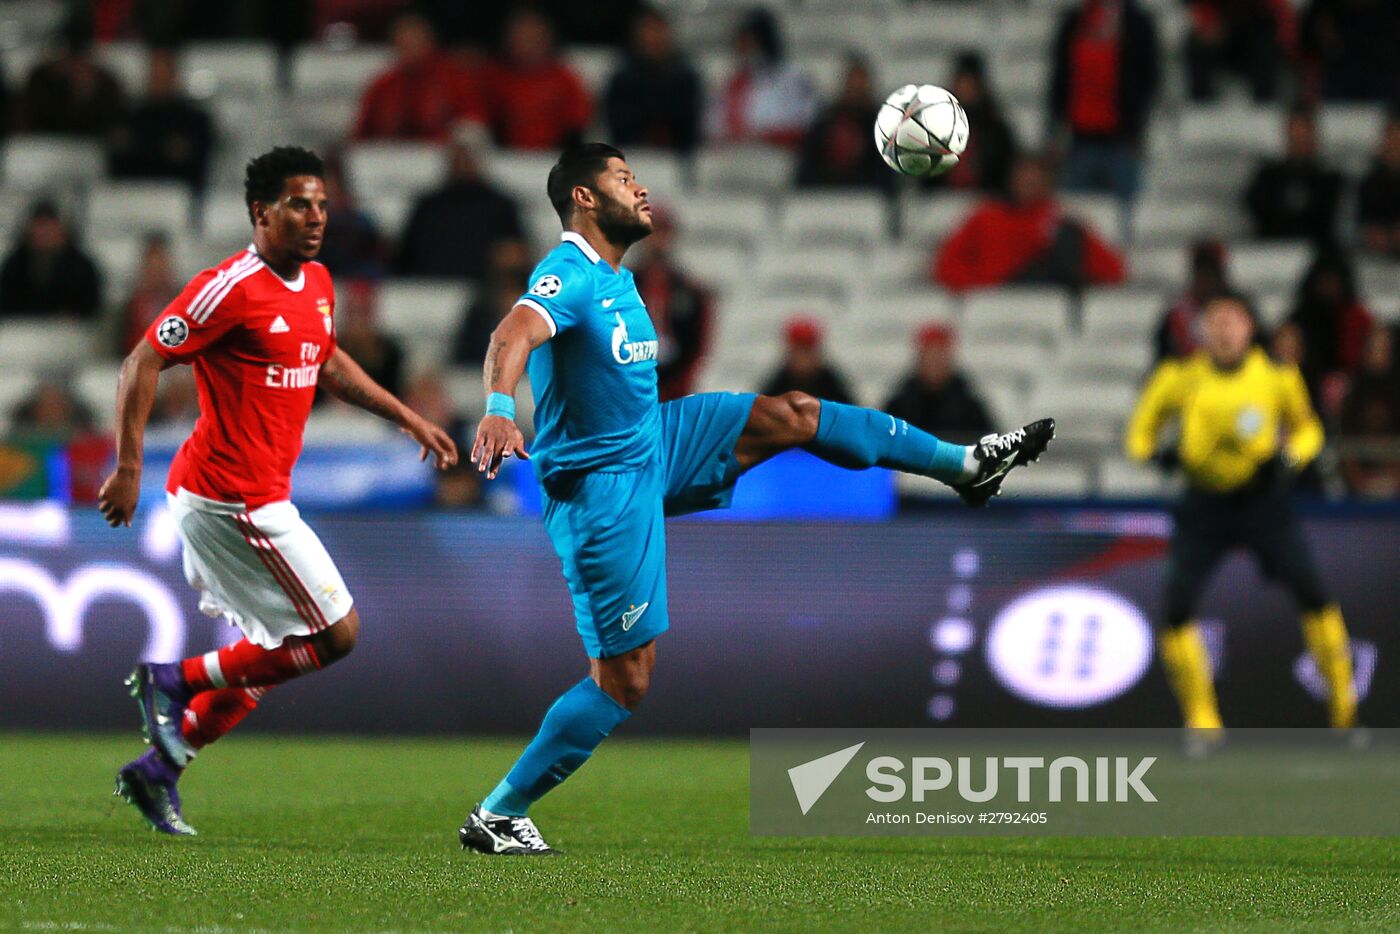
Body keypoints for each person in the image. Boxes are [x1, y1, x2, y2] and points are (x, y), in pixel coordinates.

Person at [459, 142, 1055, 854]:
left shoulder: (619, 276)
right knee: (626, 680)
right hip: (601, 490)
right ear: (584, 199)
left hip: (653, 441)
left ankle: (965, 465)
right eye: (623, 179)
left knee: (794, 413)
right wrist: (499, 404)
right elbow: (512, 331)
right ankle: (498, 812)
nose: (641, 189)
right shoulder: (569, 273)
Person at [100, 146, 458, 837]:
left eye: (322, 204)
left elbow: (324, 359)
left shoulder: (319, 283)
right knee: (336, 634)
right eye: (300, 204)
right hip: (229, 499)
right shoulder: (228, 288)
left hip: (257, 495)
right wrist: (128, 466)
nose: (317, 216)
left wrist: (409, 416)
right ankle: (173, 679)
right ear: (262, 213)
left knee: (274, 657)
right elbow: (144, 358)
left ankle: (159, 770)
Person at [1125, 293, 1358, 737]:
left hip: (1262, 500)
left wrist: (1289, 458)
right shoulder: (1178, 377)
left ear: (1250, 328)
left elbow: (1309, 428)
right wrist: (1157, 455)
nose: (1225, 331)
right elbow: (1139, 431)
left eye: (1233, 321)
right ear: (1203, 331)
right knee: (1176, 606)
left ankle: (1343, 706)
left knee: (1313, 592)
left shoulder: (1276, 377)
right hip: (1203, 503)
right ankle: (1202, 719)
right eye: (1216, 322)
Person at [932, 154, 1126, 293]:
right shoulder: (984, 218)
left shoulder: (1061, 221)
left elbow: (1112, 269)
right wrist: (984, 283)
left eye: (1035, 179)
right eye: (1024, 178)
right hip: (994, 302)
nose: (1029, 184)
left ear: (1047, 183)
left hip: (1048, 301)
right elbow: (946, 266)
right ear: (1011, 180)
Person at [1048, 0, 1161, 202]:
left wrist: (1135, 124)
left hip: (1122, 139)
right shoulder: (1074, 21)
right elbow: (1060, 78)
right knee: (1077, 210)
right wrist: (1056, 129)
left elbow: (1149, 77)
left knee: (1127, 208)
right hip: (1079, 139)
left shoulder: (1137, 23)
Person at [395, 134, 526, 282]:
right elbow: (405, 258)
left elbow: (517, 254)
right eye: (458, 155)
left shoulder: (502, 207)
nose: (462, 162)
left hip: (486, 291)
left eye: (468, 156)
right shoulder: (427, 207)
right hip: (430, 290)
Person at [351, 12, 485, 142]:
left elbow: (474, 125)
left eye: (415, 42)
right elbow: (360, 134)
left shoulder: (455, 80)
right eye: (404, 43)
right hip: (391, 158)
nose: (410, 49)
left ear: (429, 42)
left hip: (440, 157)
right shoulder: (383, 86)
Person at [629, 205, 713, 401]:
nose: (656, 240)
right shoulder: (620, 287)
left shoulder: (690, 290)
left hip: (675, 386)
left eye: (662, 233)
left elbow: (699, 344)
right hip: (629, 386)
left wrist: (679, 385)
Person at [478, 9, 592, 151]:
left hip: (553, 158)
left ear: (548, 37)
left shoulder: (565, 79)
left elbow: (575, 125)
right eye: (521, 37)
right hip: (504, 158)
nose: (527, 44)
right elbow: (482, 123)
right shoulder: (494, 79)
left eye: (533, 37)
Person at [107, 48, 214, 195]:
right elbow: (118, 163)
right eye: (155, 76)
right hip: (131, 197)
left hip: (178, 199)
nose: (159, 82)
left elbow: (196, 166)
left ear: (175, 77)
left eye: (164, 76)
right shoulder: (128, 119)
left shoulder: (196, 121)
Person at [706, 7, 818, 147]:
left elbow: (805, 121)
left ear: (764, 41)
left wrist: (763, 135)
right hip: (736, 154)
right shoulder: (732, 82)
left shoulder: (794, 78)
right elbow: (712, 126)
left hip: (780, 153)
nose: (743, 48)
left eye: (749, 42)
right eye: (740, 42)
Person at [604, 6, 702, 155]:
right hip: (635, 153)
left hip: (677, 155)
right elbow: (619, 124)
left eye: (657, 31)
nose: (653, 37)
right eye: (647, 31)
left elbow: (689, 123)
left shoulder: (685, 77)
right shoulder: (622, 79)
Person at [1286, 246, 1374, 411]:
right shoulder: (1301, 317)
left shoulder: (1356, 316)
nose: (1328, 287)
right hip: (1306, 388)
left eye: (1333, 282)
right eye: (1323, 282)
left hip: (1356, 389)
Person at [794, 54, 892, 192]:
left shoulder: (882, 128)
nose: (856, 88)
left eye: (860, 83)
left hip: (865, 196)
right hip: (824, 195)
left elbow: (886, 179)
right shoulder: (825, 124)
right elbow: (806, 172)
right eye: (852, 82)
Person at [1243, 108, 1344, 242]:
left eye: (1304, 137)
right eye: (1295, 137)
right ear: (1287, 137)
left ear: (1314, 138)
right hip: (1272, 253)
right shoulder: (1267, 178)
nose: (1299, 143)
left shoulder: (1329, 181)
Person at [883, 325, 995, 444]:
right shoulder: (898, 406)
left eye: (940, 353)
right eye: (929, 353)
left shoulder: (971, 409)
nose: (934, 360)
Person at [928, 52, 1018, 194]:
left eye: (970, 84)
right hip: (942, 199)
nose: (965, 89)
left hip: (984, 199)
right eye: (961, 83)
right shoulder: (936, 126)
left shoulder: (996, 130)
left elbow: (1003, 171)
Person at [16, 23, 124, 137]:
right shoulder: (39, 80)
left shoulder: (105, 84)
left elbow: (114, 129)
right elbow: (25, 124)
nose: (71, 65)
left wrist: (85, 92)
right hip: (45, 146)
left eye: (77, 58)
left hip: (90, 147)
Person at [0, 200, 102, 319]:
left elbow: (90, 307)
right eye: (39, 228)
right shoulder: (14, 266)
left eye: (49, 228)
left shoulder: (82, 268)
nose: (44, 234)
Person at [1185, 0, 1292, 103]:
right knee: (1197, 44)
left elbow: (1280, 14)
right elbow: (1202, 10)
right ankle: (1201, 104)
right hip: (1221, 41)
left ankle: (1265, 104)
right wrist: (1209, 24)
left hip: (1254, 42)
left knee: (1265, 47)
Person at [1338, 326, 1400, 497]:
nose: (1377, 355)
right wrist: (1360, 483)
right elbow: (1346, 448)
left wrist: (1393, 482)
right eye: (1373, 349)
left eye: (1383, 349)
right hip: (1358, 491)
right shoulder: (1352, 399)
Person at [453, 240, 533, 367]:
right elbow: (465, 364)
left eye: (516, 276)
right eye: (503, 275)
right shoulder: (478, 316)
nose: (509, 284)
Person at [1153, 240, 1233, 363]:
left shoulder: (1239, 311)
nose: (1207, 282)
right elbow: (1164, 357)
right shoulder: (1177, 314)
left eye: (1212, 275)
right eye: (1202, 275)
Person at [332, 280, 406, 398]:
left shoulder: (390, 353)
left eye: (362, 312)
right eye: (353, 311)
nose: (358, 321)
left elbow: (395, 395)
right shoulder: (329, 350)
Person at [759, 316, 854, 404]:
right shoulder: (775, 387)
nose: (803, 358)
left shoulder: (833, 385)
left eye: (807, 350)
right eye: (798, 350)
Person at [118, 234, 182, 355]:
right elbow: (122, 348)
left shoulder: (185, 306)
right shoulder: (130, 308)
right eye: (151, 267)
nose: (156, 274)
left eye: (160, 267)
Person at [1357, 114, 1400, 260]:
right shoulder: (1368, 183)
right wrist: (1372, 234)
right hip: (1373, 257)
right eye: (1392, 139)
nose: (1396, 146)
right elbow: (1359, 224)